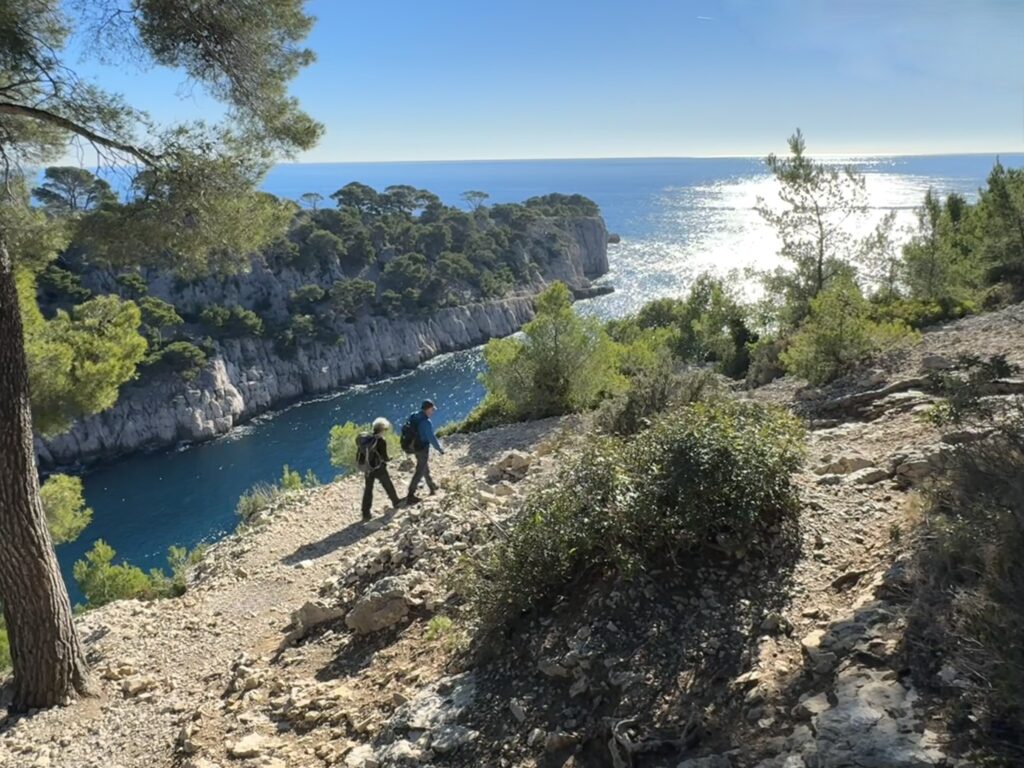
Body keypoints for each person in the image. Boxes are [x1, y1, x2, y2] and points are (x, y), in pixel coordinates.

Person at [361, 417, 402, 521]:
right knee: (388, 484)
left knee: (368, 489)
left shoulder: (366, 439)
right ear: (382, 429)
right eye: (386, 429)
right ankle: (396, 501)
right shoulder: (381, 440)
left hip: (368, 468)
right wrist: (389, 459)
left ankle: (366, 513)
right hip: (379, 468)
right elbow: (385, 457)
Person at [407, 399, 444, 504]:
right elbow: (431, 438)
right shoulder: (426, 422)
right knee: (419, 471)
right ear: (427, 409)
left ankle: (431, 486)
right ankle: (410, 495)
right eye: (432, 409)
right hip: (422, 448)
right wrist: (439, 449)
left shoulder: (413, 416)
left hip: (414, 447)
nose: (433, 411)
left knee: (424, 466)